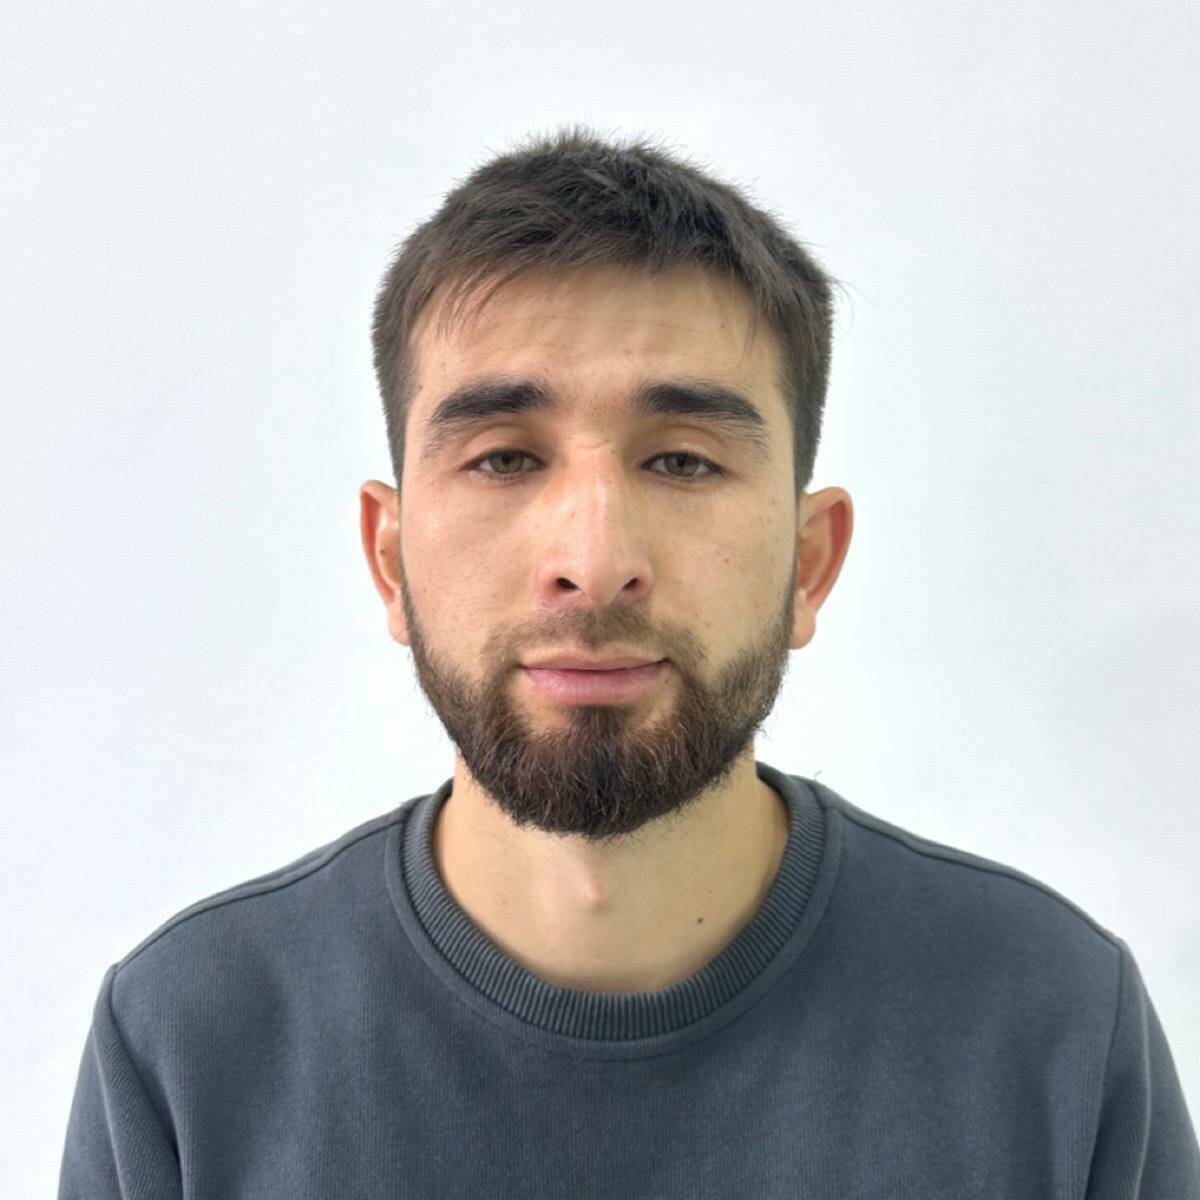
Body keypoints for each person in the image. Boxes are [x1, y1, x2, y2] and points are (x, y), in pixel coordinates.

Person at [58, 126, 1199, 1199]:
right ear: (390, 557)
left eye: (684, 462)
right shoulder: (189, 1044)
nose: (594, 564)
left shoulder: (1052, 1024)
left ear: (809, 562)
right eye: (504, 458)